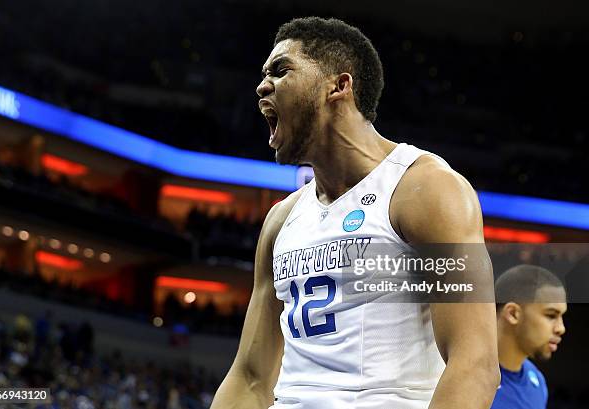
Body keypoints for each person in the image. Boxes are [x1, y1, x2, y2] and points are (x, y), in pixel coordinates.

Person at [211, 17, 499, 409]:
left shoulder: (425, 190)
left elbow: (475, 364)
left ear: (338, 86)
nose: (263, 86)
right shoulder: (280, 221)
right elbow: (249, 377)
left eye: (280, 71)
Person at [491, 264, 567, 409]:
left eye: (561, 316)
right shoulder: (465, 374)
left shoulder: (537, 382)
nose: (561, 328)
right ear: (513, 313)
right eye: (551, 315)